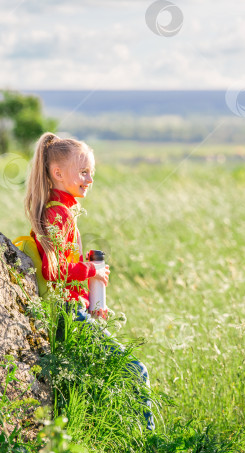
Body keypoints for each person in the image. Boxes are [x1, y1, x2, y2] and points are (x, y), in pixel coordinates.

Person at [24, 132, 154, 430]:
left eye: (91, 173)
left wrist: (90, 300)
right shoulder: (57, 214)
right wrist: (90, 272)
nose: (89, 180)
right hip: (68, 315)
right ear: (57, 173)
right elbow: (53, 272)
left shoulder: (64, 210)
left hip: (74, 309)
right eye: (83, 172)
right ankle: (148, 442)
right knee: (137, 370)